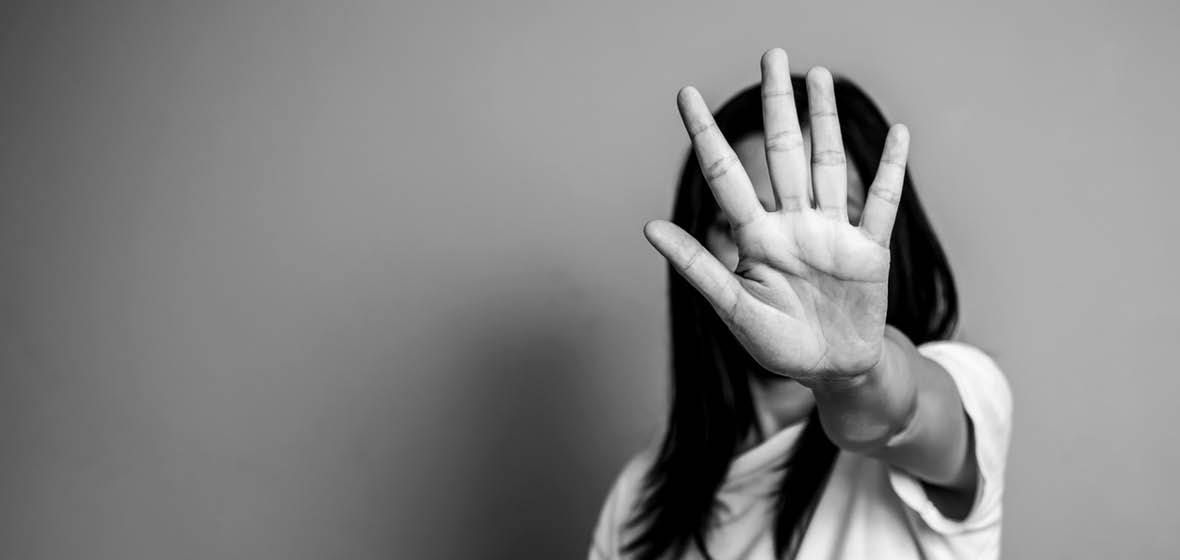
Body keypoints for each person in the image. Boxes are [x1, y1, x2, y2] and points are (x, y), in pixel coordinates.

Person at [588, 49, 1012, 559]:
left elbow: (903, 412)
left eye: (834, 223)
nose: (790, 261)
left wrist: (850, 376)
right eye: (740, 225)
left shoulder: (963, 385)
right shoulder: (638, 498)